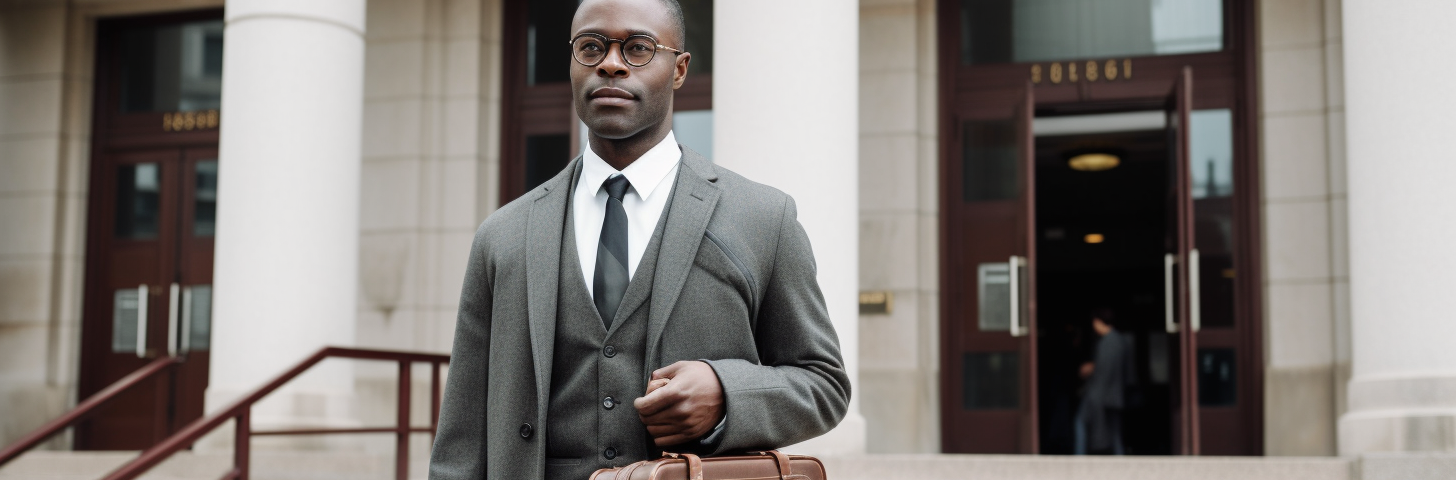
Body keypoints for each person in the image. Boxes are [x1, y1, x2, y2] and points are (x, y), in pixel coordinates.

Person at [427, 0, 851, 478]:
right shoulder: (503, 236)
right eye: (590, 47)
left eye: (637, 48)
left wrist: (726, 392)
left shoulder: (763, 219)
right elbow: (461, 445)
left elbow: (824, 384)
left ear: (679, 69)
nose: (610, 63)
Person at [1075, 307, 1132, 455]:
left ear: (1099, 322)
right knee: (1114, 433)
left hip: (1101, 395)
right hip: (1115, 394)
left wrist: (1090, 370)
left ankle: (1079, 458)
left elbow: (1103, 371)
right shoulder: (1120, 341)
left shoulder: (1108, 342)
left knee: (1081, 423)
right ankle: (1119, 461)